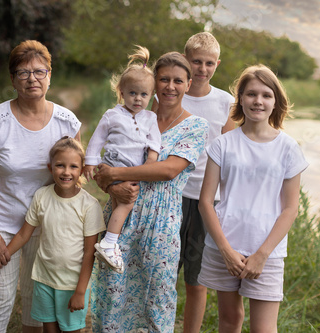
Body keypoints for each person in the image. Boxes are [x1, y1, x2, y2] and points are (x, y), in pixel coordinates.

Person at [90, 52, 210, 332]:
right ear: (153, 83)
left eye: (178, 81)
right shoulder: (127, 117)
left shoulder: (196, 126)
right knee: (112, 293)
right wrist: (110, 183)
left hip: (161, 223)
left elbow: (168, 170)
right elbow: (103, 167)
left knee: (156, 297)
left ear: (188, 84)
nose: (170, 86)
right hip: (121, 216)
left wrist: (117, 174)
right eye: (164, 79)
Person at [0, 40, 81, 333]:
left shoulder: (67, 123)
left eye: (39, 71)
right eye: (23, 72)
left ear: (50, 76)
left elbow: (76, 176)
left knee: (35, 304)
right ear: (13, 80)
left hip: (45, 225)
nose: (32, 79)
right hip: (3, 223)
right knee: (0, 298)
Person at [197, 65, 309, 332]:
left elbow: (290, 209)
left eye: (266, 95)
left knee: (264, 328)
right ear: (241, 99)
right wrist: (225, 250)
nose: (258, 101)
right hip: (225, 247)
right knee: (230, 320)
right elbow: (205, 201)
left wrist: (262, 255)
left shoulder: (289, 148)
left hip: (266, 251)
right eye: (251, 94)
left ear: (275, 102)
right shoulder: (223, 144)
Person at [152, 32, 235, 333]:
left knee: (196, 281)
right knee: (161, 273)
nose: (202, 69)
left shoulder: (226, 103)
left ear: (217, 64)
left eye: (209, 63)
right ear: (186, 61)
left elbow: (229, 153)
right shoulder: (169, 95)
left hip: (206, 200)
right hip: (168, 195)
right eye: (196, 62)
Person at [0, 137, 105, 333]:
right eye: (60, 165)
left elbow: (90, 253)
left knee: (71, 330)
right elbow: (23, 234)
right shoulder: (42, 196)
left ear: (82, 170)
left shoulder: (89, 206)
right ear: (50, 168)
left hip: (72, 284)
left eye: (73, 166)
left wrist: (80, 291)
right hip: (44, 279)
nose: (66, 172)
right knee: (49, 330)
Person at [84, 45, 161, 274]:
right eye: (133, 93)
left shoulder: (150, 118)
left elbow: (154, 144)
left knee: (120, 203)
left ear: (151, 95)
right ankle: (109, 243)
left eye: (144, 94)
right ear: (122, 92)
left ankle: (111, 243)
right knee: (127, 203)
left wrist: (150, 164)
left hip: (134, 168)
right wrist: (90, 161)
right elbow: (97, 139)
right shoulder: (113, 114)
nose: (138, 99)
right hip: (115, 163)